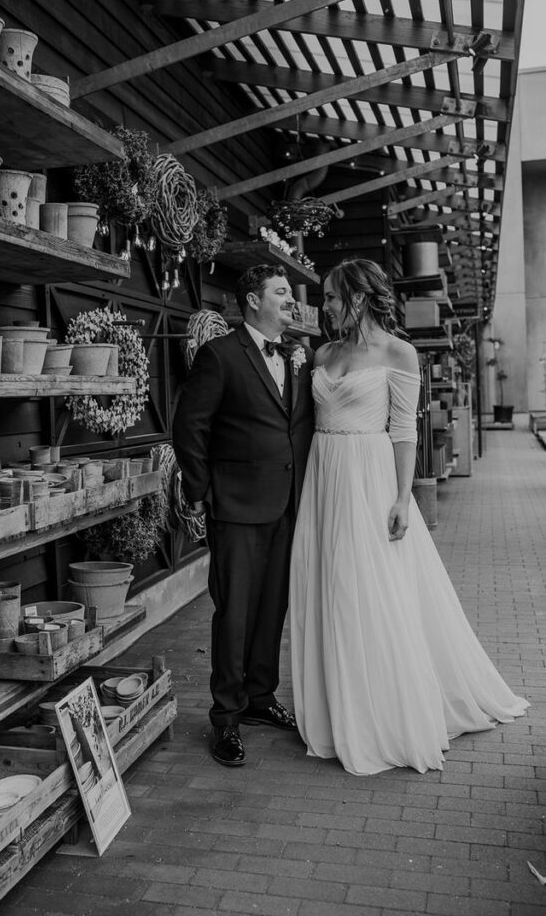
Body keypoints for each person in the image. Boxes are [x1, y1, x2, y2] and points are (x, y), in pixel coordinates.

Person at [289, 258, 528, 775]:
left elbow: (403, 431)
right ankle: (336, 708)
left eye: (331, 296)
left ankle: (379, 712)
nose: (324, 306)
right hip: (324, 477)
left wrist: (403, 497)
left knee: (366, 589)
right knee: (328, 586)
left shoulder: (400, 352)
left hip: (368, 478)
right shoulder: (323, 353)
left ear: (358, 296)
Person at [173, 264, 314, 767]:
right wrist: (200, 492)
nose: (290, 301)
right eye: (281, 292)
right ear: (253, 301)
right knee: (234, 613)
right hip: (235, 506)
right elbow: (189, 427)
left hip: (287, 503)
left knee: (272, 607)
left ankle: (260, 697)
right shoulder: (220, 355)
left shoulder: (300, 354)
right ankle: (226, 718)